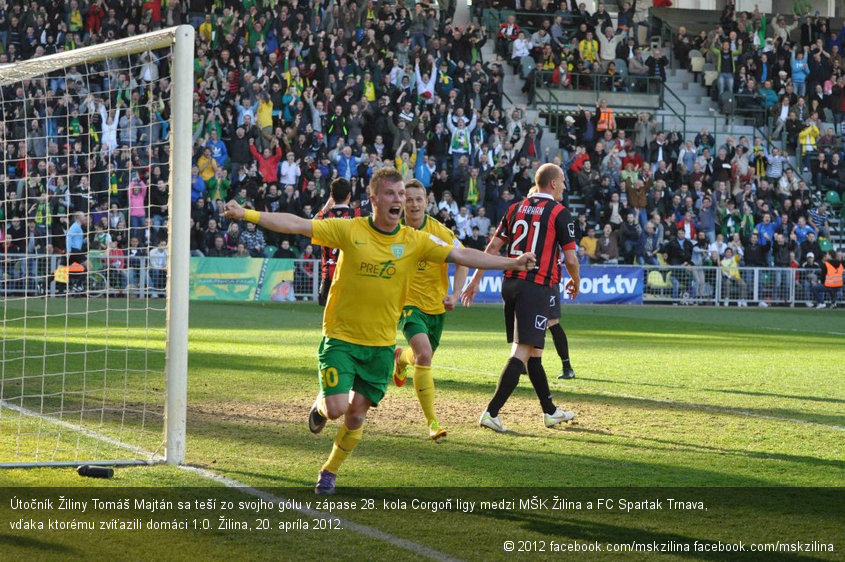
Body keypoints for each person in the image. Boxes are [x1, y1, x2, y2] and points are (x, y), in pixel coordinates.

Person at [224, 168, 535, 495]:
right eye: (391, 194)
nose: (399, 200)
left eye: (402, 194)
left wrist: (512, 263)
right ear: (373, 199)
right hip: (342, 338)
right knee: (335, 409)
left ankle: (329, 470)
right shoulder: (350, 230)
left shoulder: (414, 240)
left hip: (381, 346)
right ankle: (319, 408)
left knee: (356, 416)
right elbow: (298, 225)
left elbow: (461, 254)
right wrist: (246, 214)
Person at [461, 163, 580, 433]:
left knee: (535, 353)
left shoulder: (515, 208)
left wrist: (476, 278)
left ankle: (550, 412)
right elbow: (571, 258)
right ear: (552, 183)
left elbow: (492, 248)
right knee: (523, 351)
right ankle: (491, 412)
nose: (564, 185)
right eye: (561, 181)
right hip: (535, 287)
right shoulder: (560, 213)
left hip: (511, 284)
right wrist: (576, 280)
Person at [392, 180, 469, 441]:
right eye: (409, 199)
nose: (413, 204)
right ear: (401, 202)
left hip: (436, 308)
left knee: (420, 357)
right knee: (424, 355)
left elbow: (464, 260)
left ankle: (401, 358)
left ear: (427, 202)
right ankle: (432, 422)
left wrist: (455, 294)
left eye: (418, 199)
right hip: (408, 305)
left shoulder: (441, 233)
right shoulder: (393, 231)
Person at [314, 179, 364, 306]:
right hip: (351, 273)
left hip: (328, 276)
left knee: (329, 319)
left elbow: (310, 224)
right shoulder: (357, 214)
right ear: (349, 195)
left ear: (331, 196)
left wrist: (326, 208)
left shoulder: (323, 218)